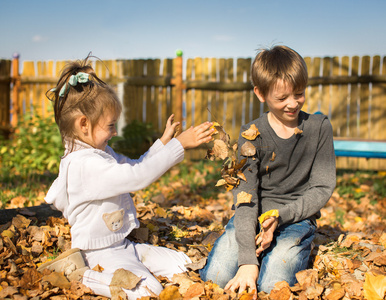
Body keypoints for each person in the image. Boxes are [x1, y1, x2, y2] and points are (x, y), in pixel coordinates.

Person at [38, 55, 214, 299]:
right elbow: (138, 177)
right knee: (149, 291)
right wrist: (180, 146)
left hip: (123, 246)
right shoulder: (85, 166)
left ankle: (132, 267)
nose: (115, 132)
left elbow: (135, 165)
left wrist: (163, 143)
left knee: (184, 263)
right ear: (84, 124)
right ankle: (82, 275)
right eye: (110, 125)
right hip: (99, 254)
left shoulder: (98, 153)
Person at [199, 45, 336, 296]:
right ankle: (258, 258)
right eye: (282, 98)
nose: (293, 104)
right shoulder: (251, 135)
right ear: (260, 93)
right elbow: (245, 199)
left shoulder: (319, 128)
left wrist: (280, 217)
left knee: (273, 286)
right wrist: (247, 261)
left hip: (295, 218)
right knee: (215, 277)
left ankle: (279, 254)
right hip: (253, 215)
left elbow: (322, 187)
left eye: (299, 94)